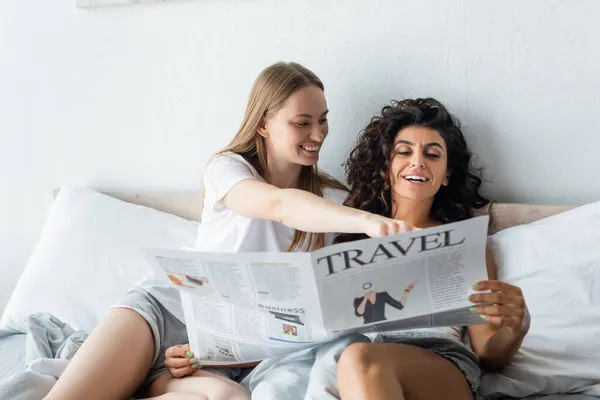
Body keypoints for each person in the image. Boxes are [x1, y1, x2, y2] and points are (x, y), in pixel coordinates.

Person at [42, 62, 417, 400]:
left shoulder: (333, 200)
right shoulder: (227, 170)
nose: (318, 134)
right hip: (169, 312)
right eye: (302, 122)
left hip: (230, 349)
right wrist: (365, 220)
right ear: (263, 124)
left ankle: (152, 385)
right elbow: (279, 206)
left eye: (323, 120)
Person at [334, 98, 531, 400]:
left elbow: (489, 355)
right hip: (363, 358)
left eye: (432, 154)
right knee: (353, 357)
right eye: (404, 152)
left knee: (360, 359)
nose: (418, 162)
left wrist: (515, 330)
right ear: (385, 169)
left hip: (442, 367)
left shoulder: (464, 243)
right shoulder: (354, 238)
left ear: (447, 174)